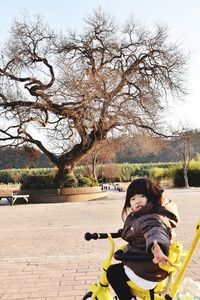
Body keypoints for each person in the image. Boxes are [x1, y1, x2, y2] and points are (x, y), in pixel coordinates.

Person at [107, 178, 180, 300]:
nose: (137, 201)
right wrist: (125, 232)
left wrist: (157, 247)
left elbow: (155, 231)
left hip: (146, 271)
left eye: (142, 196)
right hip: (151, 268)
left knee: (113, 272)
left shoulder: (150, 219)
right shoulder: (146, 216)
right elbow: (138, 229)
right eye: (133, 198)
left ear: (151, 197)